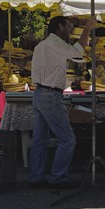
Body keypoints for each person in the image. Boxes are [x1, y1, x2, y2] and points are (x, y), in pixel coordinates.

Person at [29, 16, 95, 188]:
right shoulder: (54, 44)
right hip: (50, 95)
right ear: (59, 27)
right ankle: (58, 178)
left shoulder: (41, 45)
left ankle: (36, 177)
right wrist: (87, 28)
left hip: (40, 93)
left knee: (39, 140)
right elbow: (77, 52)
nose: (71, 30)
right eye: (69, 26)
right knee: (67, 139)